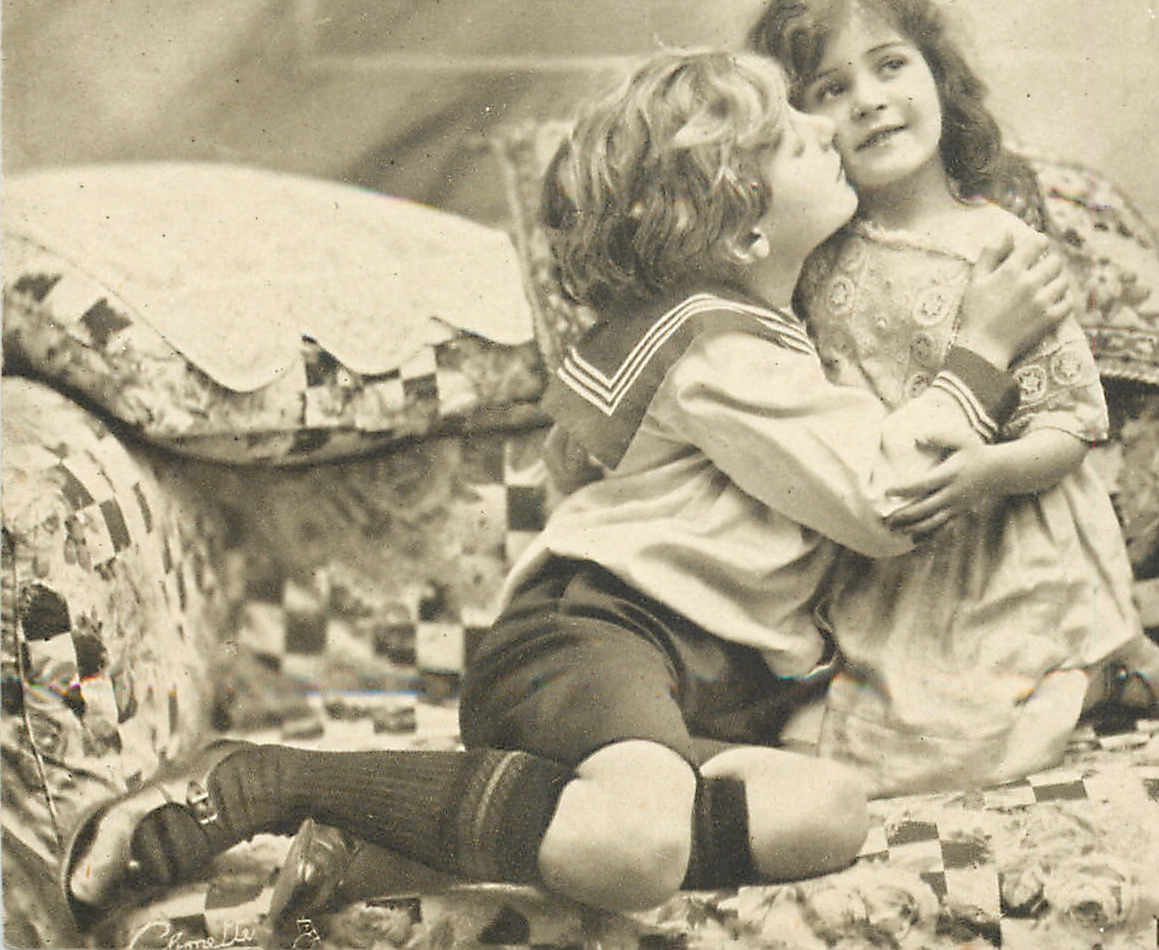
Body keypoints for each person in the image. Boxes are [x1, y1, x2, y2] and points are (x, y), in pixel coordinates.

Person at [59, 48, 1076, 927]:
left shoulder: (771, 339)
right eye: (791, 133)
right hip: (597, 636)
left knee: (827, 813)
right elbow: (889, 503)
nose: (825, 126)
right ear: (745, 237)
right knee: (640, 844)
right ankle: (265, 778)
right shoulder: (718, 350)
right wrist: (983, 350)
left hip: (690, 684)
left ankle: (396, 847)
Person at [748, 0, 1159, 796]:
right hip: (883, 550)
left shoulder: (1004, 252)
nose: (869, 101)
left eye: (891, 65)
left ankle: (1096, 670)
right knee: (830, 741)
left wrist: (983, 471)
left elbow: (1070, 426)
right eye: (831, 88)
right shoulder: (812, 256)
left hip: (1000, 542)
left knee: (958, 747)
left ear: (938, 78)